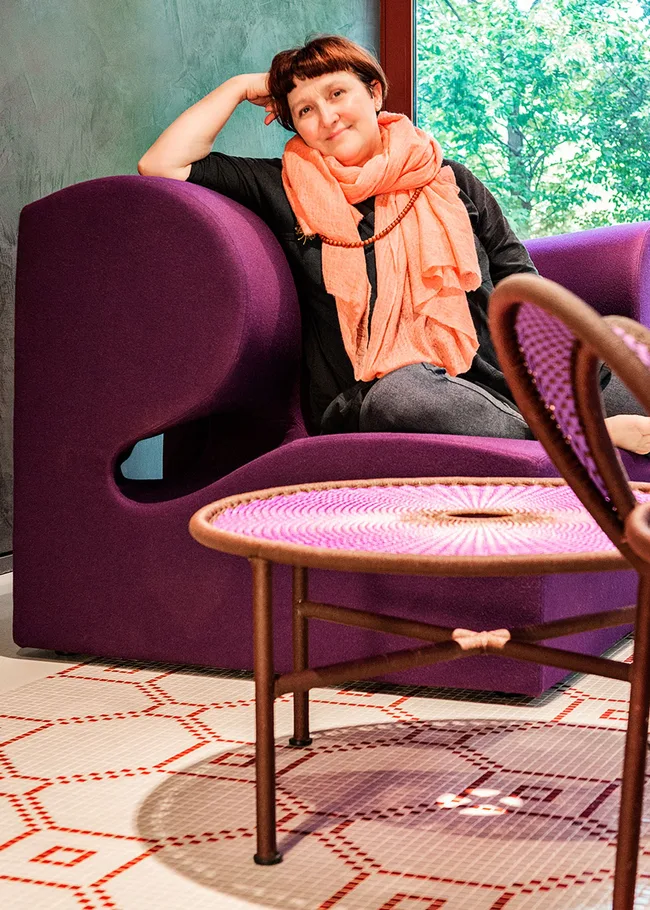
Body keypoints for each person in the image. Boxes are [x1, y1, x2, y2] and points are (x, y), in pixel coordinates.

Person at [138, 34, 650, 453]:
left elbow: (520, 279)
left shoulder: (448, 176)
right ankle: (572, 436)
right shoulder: (283, 185)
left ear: (375, 92)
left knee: (625, 364)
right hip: (383, 386)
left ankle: (546, 421)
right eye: (305, 110)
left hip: (498, 373)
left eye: (337, 94)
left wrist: (568, 357)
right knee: (404, 396)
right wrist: (240, 85)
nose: (327, 116)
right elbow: (161, 163)